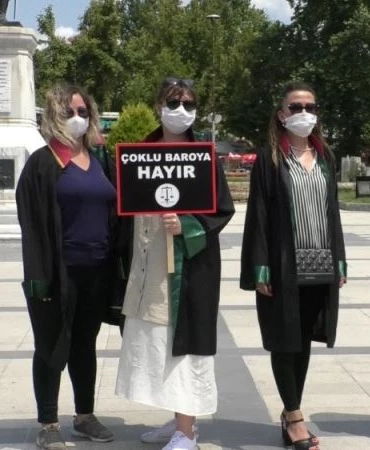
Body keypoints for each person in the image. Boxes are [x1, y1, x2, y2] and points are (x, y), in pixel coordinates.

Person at [114, 77, 234, 450]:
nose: (181, 110)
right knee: (156, 342)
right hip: (149, 265)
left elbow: (222, 210)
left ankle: (187, 431)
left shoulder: (204, 155)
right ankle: (176, 417)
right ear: (158, 105)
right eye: (173, 102)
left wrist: (188, 225)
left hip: (191, 267)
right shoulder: (139, 153)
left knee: (185, 344)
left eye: (188, 104)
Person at [240, 81, 347, 450]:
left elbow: (333, 213)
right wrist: (260, 267)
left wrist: (340, 260)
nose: (304, 114)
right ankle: (295, 415)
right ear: (282, 114)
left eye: (311, 107)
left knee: (302, 342)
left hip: (319, 265)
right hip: (283, 265)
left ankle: (291, 413)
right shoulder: (270, 159)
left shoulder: (325, 158)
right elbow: (259, 215)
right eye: (296, 107)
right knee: (284, 341)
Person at [16, 84, 120, 449]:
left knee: (84, 345)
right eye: (69, 113)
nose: (78, 119)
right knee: (51, 345)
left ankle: (84, 416)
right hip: (58, 272)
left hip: (98, 270)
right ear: (53, 117)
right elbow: (31, 226)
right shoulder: (42, 164)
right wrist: (38, 278)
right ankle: (48, 423)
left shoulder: (100, 159)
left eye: (83, 112)